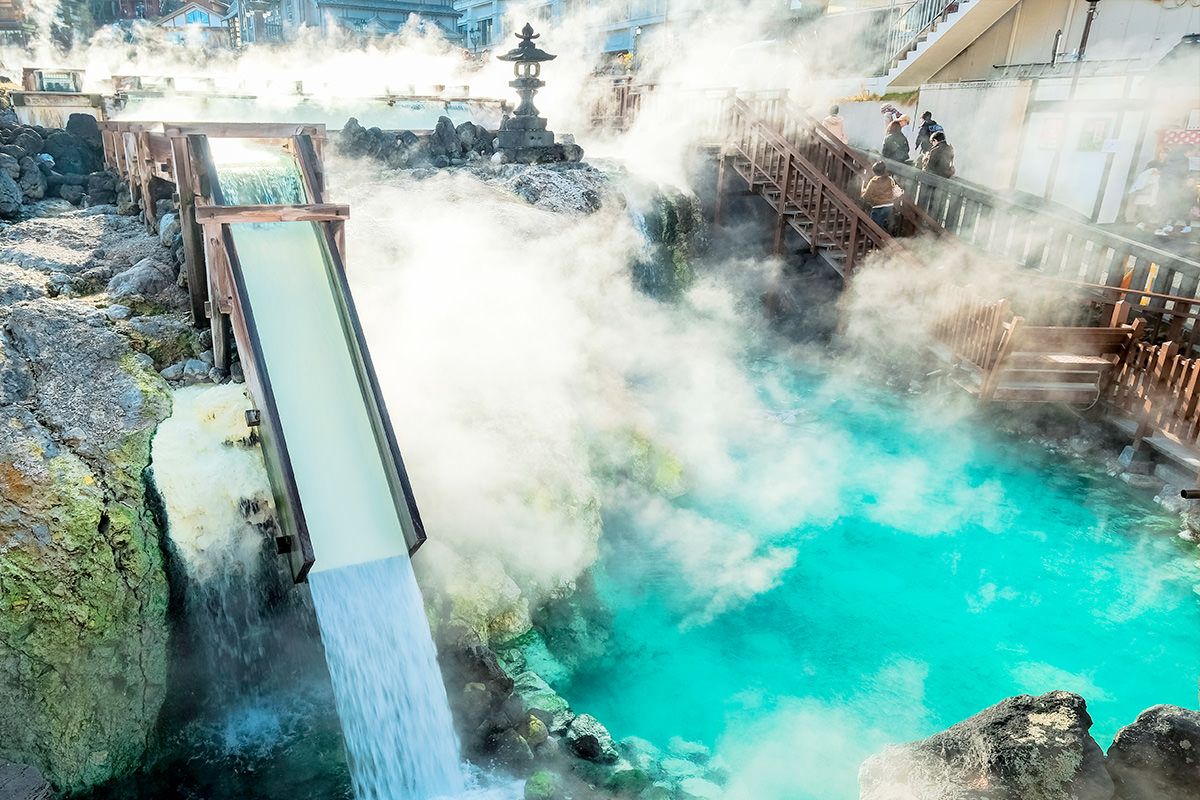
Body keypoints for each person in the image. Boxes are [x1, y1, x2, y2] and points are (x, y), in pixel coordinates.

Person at [862, 161, 901, 232]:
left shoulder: (873, 182)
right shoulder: (890, 179)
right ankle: (887, 238)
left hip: (878, 207)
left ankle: (882, 240)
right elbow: (895, 190)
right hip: (889, 206)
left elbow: (867, 196)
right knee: (886, 226)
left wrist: (863, 193)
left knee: (875, 228)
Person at [1125, 160, 1160, 229]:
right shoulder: (1145, 175)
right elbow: (1140, 184)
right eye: (1154, 170)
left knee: (1145, 208)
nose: (1155, 172)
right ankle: (1139, 221)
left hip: (1147, 194)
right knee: (1140, 208)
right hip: (1142, 194)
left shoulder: (1156, 177)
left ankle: (1144, 222)